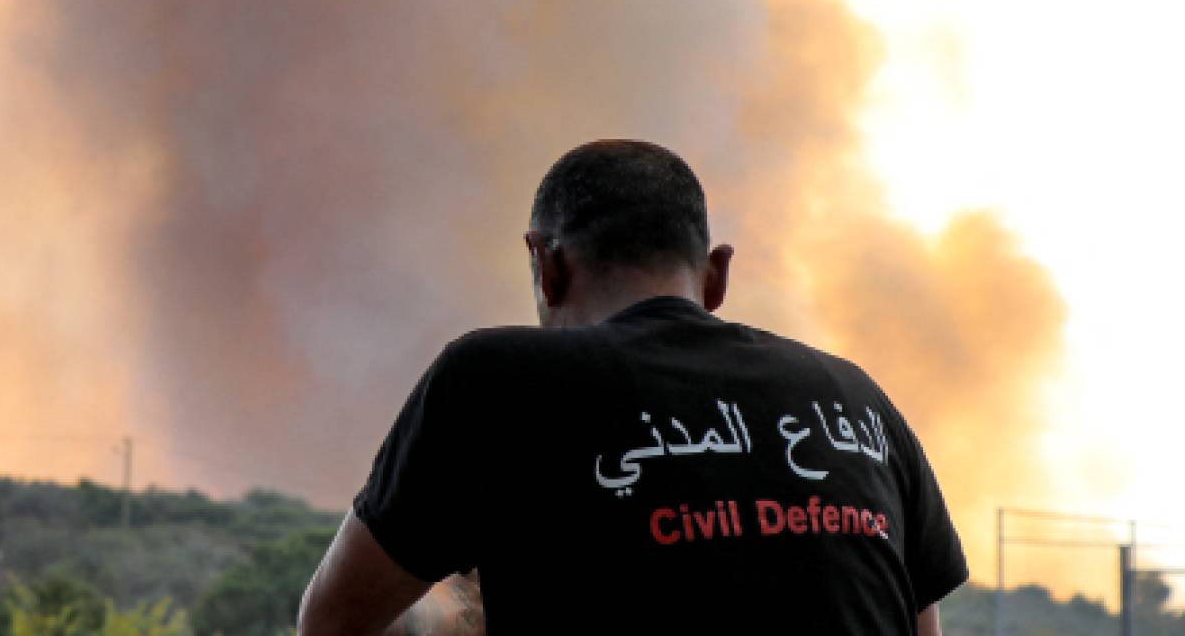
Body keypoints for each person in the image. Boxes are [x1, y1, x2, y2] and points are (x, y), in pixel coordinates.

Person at [298, 140, 968, 635]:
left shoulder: (493, 379)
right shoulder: (858, 400)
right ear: (716, 276)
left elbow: (332, 621)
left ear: (547, 265)